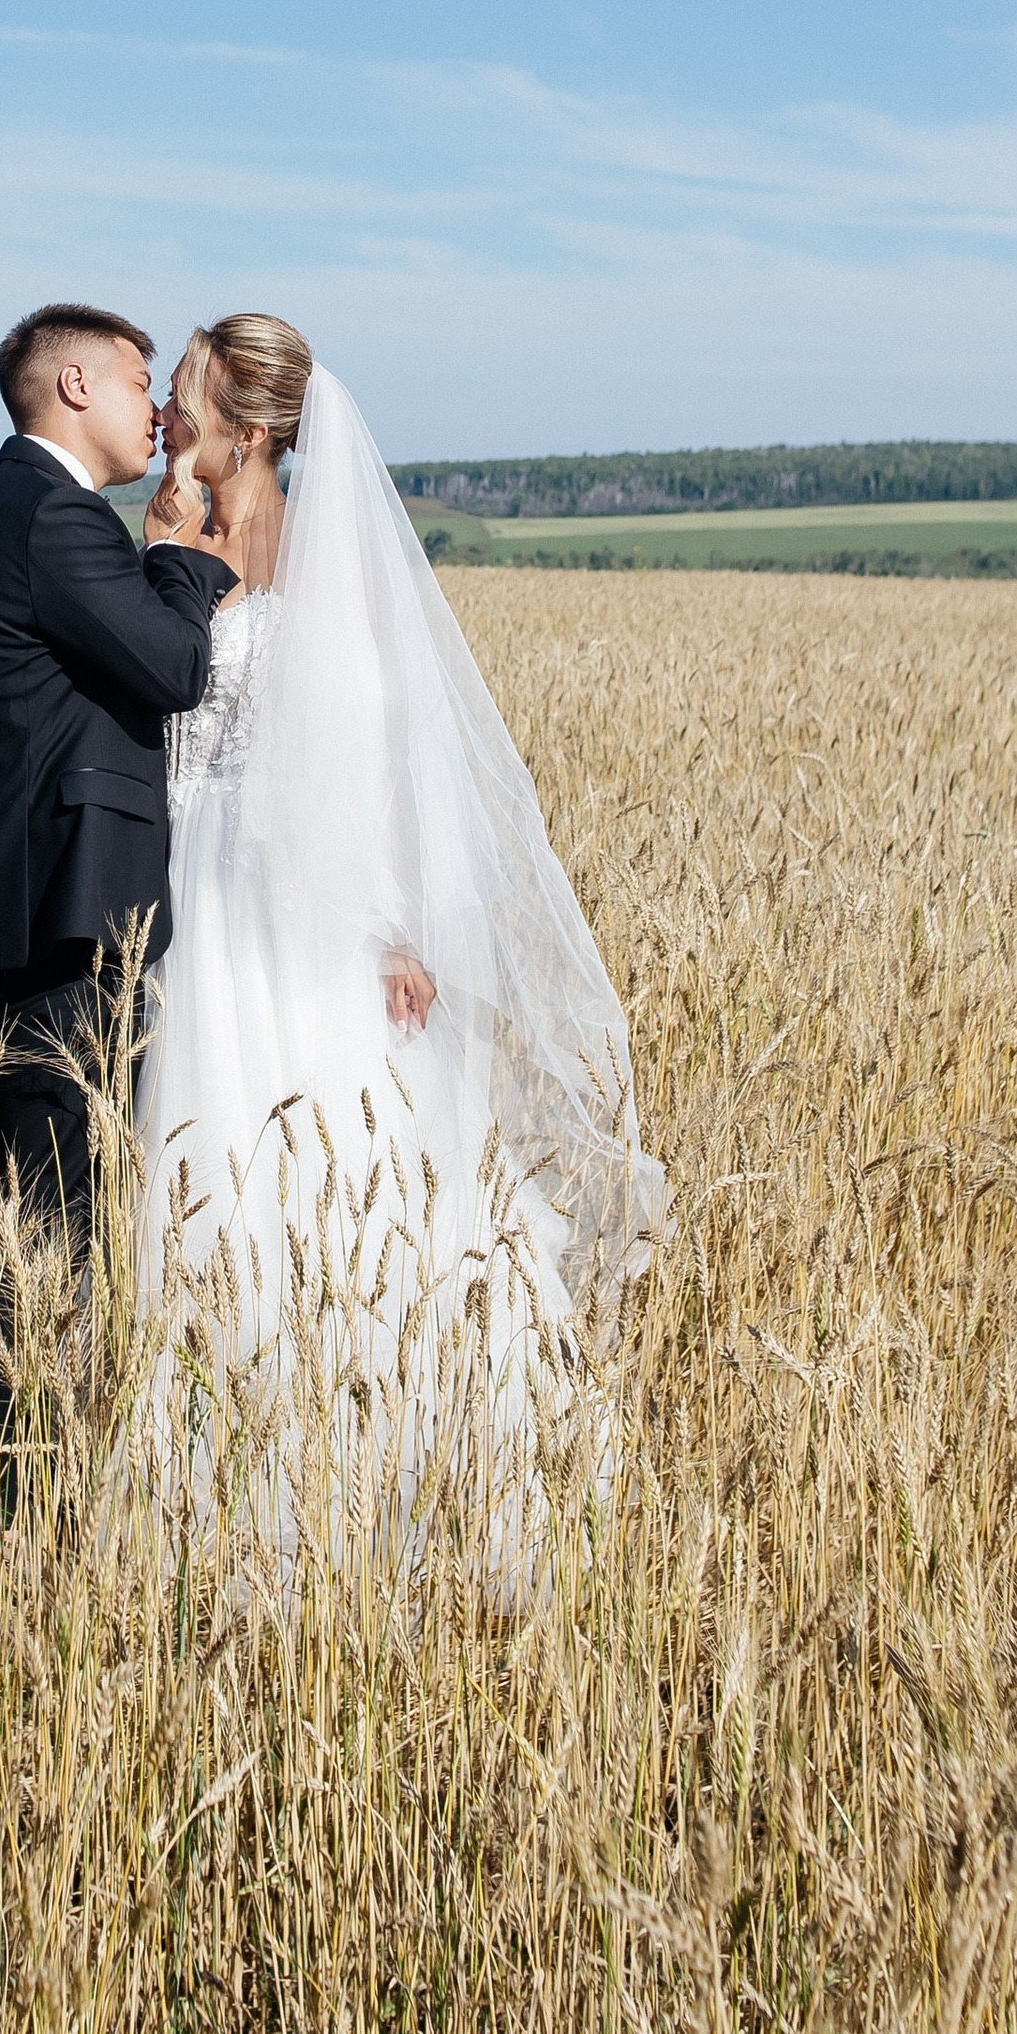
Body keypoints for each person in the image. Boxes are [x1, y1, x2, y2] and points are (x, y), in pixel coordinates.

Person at [134, 313, 664, 1587]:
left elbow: (374, 754)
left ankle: (397, 1472)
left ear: (248, 430)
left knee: (337, 1168)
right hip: (191, 895)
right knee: (210, 1168)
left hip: (293, 902)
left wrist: (390, 926)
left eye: (187, 394)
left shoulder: (329, 560)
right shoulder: (161, 540)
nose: (165, 413)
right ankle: (208, 1481)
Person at [0, 303, 240, 1330]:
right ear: (77, 385)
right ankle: (7, 1421)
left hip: (16, 905)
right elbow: (175, 667)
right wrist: (176, 554)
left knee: (24, 1192)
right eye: (141, 385)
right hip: (62, 914)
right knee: (50, 1207)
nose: (156, 413)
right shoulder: (53, 517)